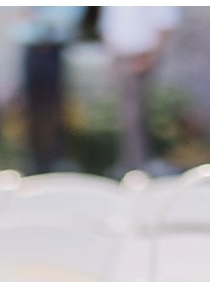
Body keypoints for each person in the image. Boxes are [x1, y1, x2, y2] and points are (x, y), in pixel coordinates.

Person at [99, 5, 180, 176]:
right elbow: (108, 27)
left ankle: (139, 164)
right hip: (121, 56)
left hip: (141, 57)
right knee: (127, 114)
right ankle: (130, 164)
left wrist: (150, 58)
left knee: (135, 113)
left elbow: (166, 24)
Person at [16, 7, 85, 174]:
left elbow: (68, 16)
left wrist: (39, 17)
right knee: (31, 108)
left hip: (53, 49)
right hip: (31, 48)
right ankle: (36, 161)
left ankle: (56, 158)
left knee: (55, 106)